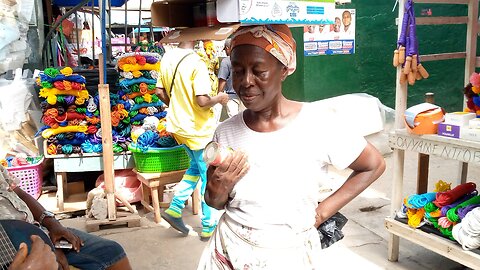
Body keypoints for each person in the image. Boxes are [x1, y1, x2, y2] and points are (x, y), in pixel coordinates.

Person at [197, 24, 386, 269]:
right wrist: (219, 187)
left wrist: (321, 213)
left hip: (289, 254)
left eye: (259, 71)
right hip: (230, 250)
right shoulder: (226, 131)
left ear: (284, 70)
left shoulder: (319, 123)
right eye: (238, 70)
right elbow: (214, 202)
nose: (246, 82)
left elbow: (373, 165)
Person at [155, 41, 229, 241]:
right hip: (198, 130)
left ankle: (175, 208)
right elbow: (202, 101)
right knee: (209, 175)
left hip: (179, 127)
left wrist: (178, 107)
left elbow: (159, 91)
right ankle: (208, 226)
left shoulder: (168, 57)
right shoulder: (197, 62)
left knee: (195, 169)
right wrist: (220, 98)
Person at [0, 164, 132, 270]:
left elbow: (20, 194)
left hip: (37, 231)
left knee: (113, 252)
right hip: (13, 244)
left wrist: (53, 225)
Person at [217, 38, 245, 120]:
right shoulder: (245, 59)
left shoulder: (226, 61)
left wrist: (219, 94)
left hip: (231, 97)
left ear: (227, 48)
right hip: (245, 95)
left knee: (234, 121)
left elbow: (222, 79)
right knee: (244, 121)